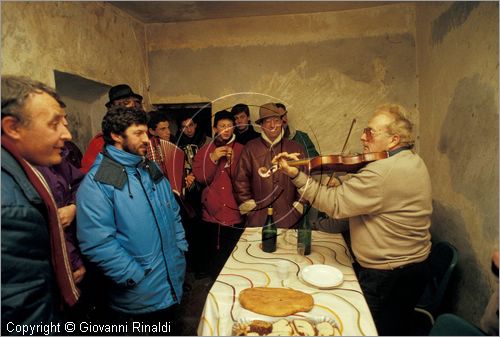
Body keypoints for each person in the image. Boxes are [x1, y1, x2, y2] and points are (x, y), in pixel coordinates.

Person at [272, 103, 432, 335]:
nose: (362, 136)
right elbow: (381, 195)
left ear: (394, 140)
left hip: (388, 277)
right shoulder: (410, 160)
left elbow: (334, 204)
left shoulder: (381, 172)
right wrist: (345, 182)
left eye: (370, 132)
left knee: (366, 329)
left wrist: (295, 174)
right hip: (410, 270)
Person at [76, 107, 187, 332]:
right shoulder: (100, 181)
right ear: (117, 136)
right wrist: (133, 276)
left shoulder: (149, 167)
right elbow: (97, 243)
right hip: (139, 299)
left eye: (147, 132)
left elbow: (172, 211)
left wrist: (180, 248)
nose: (147, 139)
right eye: (138, 133)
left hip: (170, 283)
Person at [1, 76, 79, 332]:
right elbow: (22, 317)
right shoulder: (11, 209)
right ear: (13, 127)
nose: (67, 134)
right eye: (54, 123)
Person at [234, 102, 307, 229]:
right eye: (268, 121)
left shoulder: (296, 148)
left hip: (289, 219)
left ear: (281, 122)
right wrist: (251, 211)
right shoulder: (250, 148)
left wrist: (297, 208)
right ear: (261, 125)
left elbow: (305, 181)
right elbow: (241, 181)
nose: (273, 125)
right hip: (258, 221)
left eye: (276, 120)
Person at [192, 110, 244, 278]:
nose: (226, 129)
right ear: (215, 129)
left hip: (234, 211)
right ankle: (213, 279)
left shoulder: (243, 149)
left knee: (233, 250)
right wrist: (213, 158)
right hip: (211, 212)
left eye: (230, 126)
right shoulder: (204, 150)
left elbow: (246, 180)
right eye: (222, 126)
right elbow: (200, 178)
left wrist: (233, 162)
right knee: (213, 250)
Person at [174, 114, 211, 278]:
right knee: (188, 230)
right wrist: (184, 178)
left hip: (203, 190)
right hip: (184, 195)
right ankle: (191, 266)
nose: (188, 130)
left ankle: (203, 267)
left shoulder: (207, 141)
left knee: (203, 230)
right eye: (184, 126)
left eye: (191, 125)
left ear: (196, 125)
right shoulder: (175, 144)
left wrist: (194, 175)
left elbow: (209, 166)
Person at [80, 84, 143, 173]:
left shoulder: (144, 137)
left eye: (134, 103)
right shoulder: (100, 142)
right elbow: (88, 173)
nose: (131, 107)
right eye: (125, 103)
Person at [147, 111, 185, 196]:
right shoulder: (150, 146)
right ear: (152, 131)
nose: (168, 132)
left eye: (168, 127)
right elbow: (155, 176)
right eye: (162, 129)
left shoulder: (172, 143)